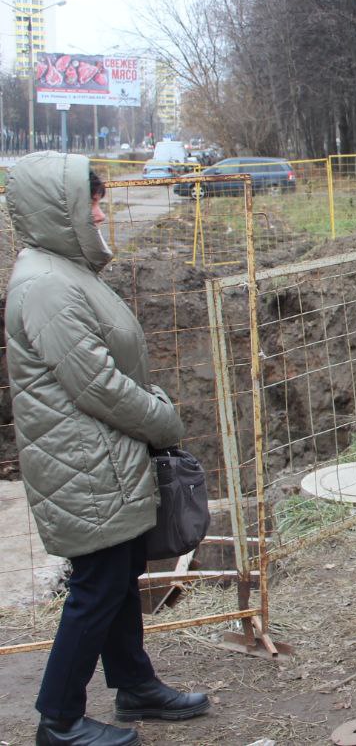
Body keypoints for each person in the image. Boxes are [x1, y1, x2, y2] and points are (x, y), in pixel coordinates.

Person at [5, 152, 210, 746]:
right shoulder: (45, 285)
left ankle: (135, 685)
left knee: (118, 577)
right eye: (92, 201)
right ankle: (59, 720)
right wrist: (163, 420)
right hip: (83, 465)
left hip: (100, 459)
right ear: (59, 210)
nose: (102, 211)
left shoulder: (63, 271)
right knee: (95, 587)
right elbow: (95, 384)